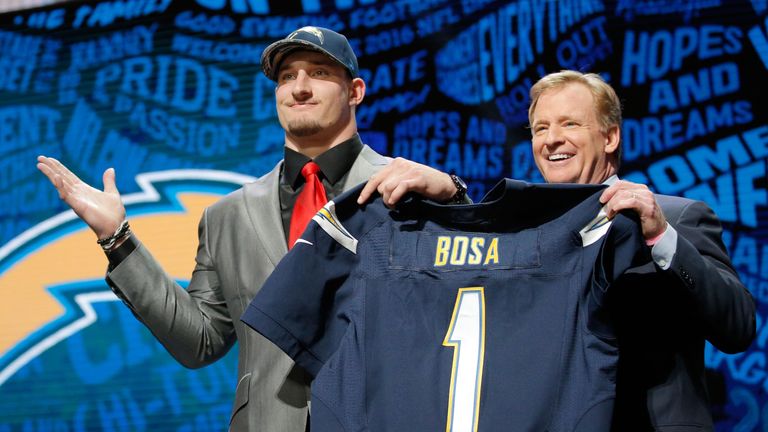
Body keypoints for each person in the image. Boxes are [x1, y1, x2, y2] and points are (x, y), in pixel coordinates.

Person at [35, 26, 421, 431]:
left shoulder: (407, 186)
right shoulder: (228, 216)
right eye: (287, 77)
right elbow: (199, 341)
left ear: (355, 91)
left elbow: (472, 292)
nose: (300, 88)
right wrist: (117, 237)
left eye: (320, 73)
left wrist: (454, 193)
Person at [360, 70, 756, 431]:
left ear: (610, 136)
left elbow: (737, 327)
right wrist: (454, 196)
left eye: (570, 124)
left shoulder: (677, 216)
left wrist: (661, 237)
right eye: (540, 128)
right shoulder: (530, 234)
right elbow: (478, 279)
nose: (552, 139)